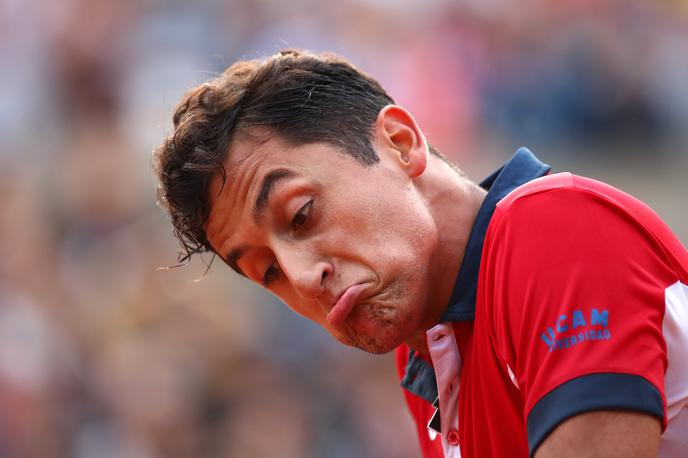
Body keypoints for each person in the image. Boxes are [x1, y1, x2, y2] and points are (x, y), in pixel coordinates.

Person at [153, 49, 688, 457]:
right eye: (267, 271)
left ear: (400, 143)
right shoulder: (424, 356)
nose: (302, 277)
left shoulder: (551, 227)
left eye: (302, 215)